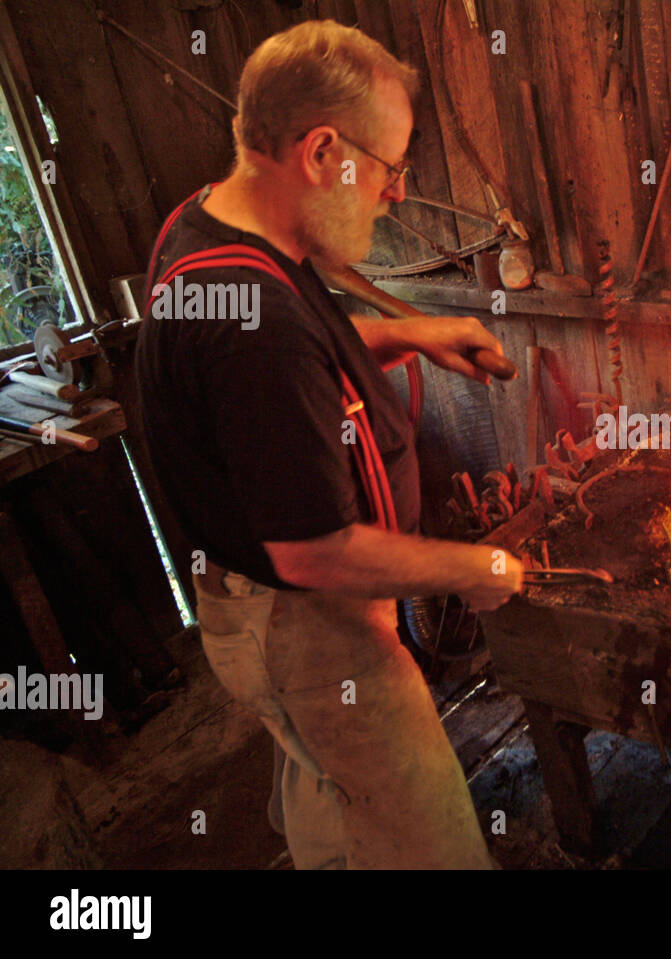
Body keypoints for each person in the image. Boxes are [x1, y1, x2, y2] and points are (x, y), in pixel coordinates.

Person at [134, 19, 522, 869]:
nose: (393, 193)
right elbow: (312, 553)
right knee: (434, 843)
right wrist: (473, 567)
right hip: (308, 626)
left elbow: (309, 362)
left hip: (258, 615)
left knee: (330, 790)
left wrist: (413, 333)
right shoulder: (253, 328)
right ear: (320, 153)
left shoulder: (213, 226)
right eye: (389, 168)